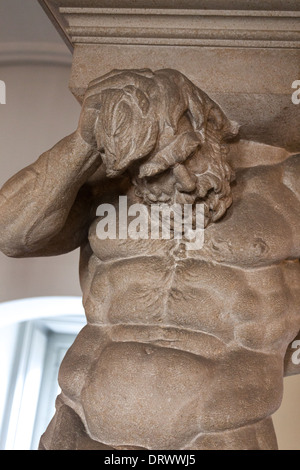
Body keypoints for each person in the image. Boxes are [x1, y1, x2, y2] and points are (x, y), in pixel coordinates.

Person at [0, 69, 299, 450]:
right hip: (79, 426)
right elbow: (12, 235)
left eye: (191, 153)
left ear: (210, 128)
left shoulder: (287, 189)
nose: (187, 181)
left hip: (222, 434)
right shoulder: (108, 195)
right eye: (159, 172)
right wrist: (85, 140)